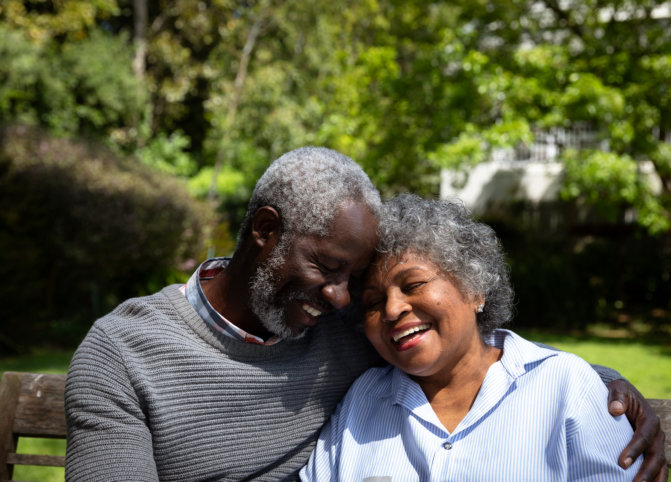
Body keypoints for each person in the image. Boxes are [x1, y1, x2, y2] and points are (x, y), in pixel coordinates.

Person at [65, 148, 666, 481]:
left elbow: (466, 345)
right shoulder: (124, 353)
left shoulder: (343, 328)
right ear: (265, 232)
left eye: (354, 281)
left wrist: (603, 387)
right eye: (328, 268)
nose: (344, 300)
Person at [300, 194, 665, 481]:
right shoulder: (362, 401)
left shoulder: (565, 388)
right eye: (374, 302)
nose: (393, 309)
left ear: (475, 290)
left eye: (414, 285)